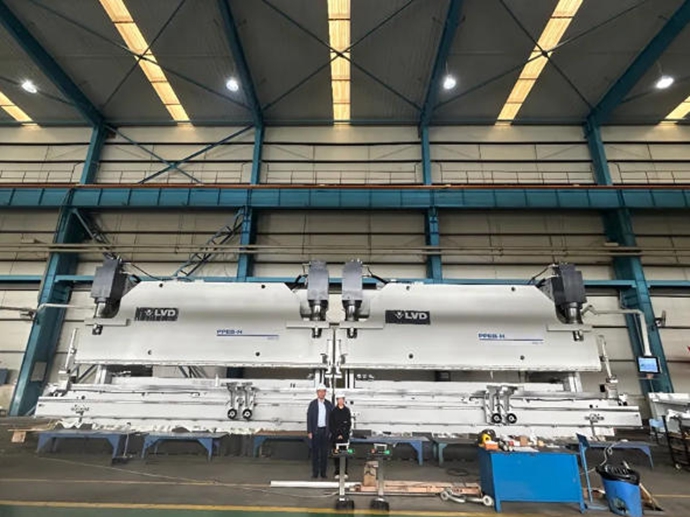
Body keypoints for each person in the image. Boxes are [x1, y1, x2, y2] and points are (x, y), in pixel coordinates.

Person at [306, 383, 333, 479]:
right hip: (315, 431)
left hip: (325, 431)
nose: (321, 393)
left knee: (324, 453)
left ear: (325, 393)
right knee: (315, 453)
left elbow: (332, 419)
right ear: (317, 393)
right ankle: (315, 473)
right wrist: (309, 431)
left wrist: (331, 431)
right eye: (320, 391)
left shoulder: (329, 404)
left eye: (323, 391)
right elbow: (309, 418)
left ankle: (323, 473)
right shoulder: (313, 404)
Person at [329, 392, 352, 480]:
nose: (340, 401)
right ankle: (337, 471)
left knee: (345, 454)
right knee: (337, 454)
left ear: (344, 400)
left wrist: (343, 435)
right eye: (339, 399)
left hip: (344, 437)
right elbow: (332, 424)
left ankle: (345, 471)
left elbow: (348, 424)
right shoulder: (333, 411)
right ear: (337, 400)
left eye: (342, 399)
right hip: (336, 437)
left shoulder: (347, 411)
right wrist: (337, 434)